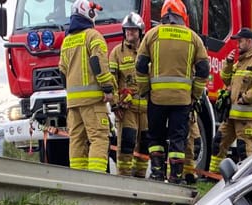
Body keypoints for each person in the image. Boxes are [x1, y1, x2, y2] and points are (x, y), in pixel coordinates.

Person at [135, 0, 209, 183]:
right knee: (178, 139)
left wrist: (145, 90)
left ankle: (157, 173)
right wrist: (195, 94)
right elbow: (203, 69)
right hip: (182, 100)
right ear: (183, 15)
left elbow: (140, 65)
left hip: (157, 99)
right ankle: (176, 176)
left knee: (156, 137)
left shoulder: (152, 35)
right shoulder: (193, 38)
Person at [59, 0, 116, 173]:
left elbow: (62, 71)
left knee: (76, 141)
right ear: (87, 13)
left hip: (73, 104)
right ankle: (96, 180)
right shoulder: (93, 36)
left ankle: (79, 183)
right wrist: (107, 88)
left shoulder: (67, 40)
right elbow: (98, 62)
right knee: (99, 138)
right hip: (92, 101)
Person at [209, 27, 252, 168]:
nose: (237, 44)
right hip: (231, 115)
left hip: (246, 117)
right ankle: (213, 176)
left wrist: (246, 97)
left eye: (240, 41)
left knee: (244, 150)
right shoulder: (240, 62)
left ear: (249, 42)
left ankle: (247, 181)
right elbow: (226, 80)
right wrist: (228, 64)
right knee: (218, 143)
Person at [109, 12, 149, 178]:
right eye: (127, 30)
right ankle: (124, 177)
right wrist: (116, 103)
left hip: (147, 107)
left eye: (133, 30)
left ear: (140, 32)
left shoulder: (148, 51)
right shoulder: (117, 53)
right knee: (127, 142)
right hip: (127, 108)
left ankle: (140, 176)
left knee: (146, 143)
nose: (129, 33)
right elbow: (111, 81)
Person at [182, 108, 200, 185]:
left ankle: (188, 173)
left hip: (190, 111)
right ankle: (174, 174)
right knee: (178, 144)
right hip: (179, 109)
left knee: (194, 144)